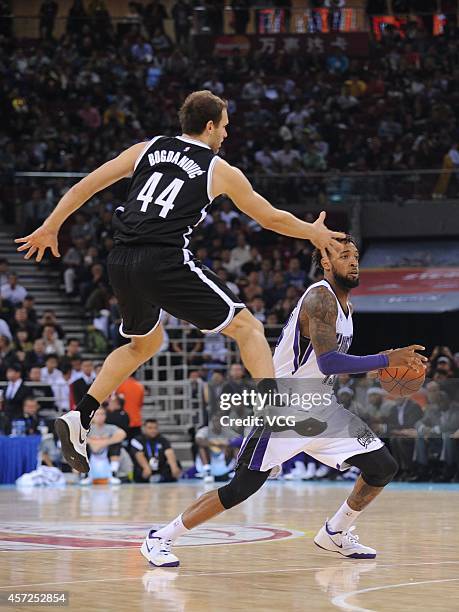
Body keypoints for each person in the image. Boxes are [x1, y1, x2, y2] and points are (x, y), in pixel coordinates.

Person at [15, 89, 344, 475]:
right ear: (209, 126)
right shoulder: (219, 169)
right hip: (163, 258)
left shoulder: (147, 148)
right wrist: (314, 234)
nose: (226, 135)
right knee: (248, 327)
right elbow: (269, 218)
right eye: (224, 127)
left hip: (120, 259)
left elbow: (87, 185)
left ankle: (81, 415)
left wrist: (51, 225)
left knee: (145, 344)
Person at [140, 236, 427, 567]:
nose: (353, 261)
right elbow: (329, 362)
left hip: (323, 407)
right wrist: (384, 360)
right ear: (325, 262)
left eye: (355, 255)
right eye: (344, 255)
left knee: (382, 467)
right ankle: (160, 537)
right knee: (239, 490)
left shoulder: (347, 306)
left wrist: (382, 364)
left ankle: (335, 532)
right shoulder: (321, 297)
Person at [130, 419, 181, 483]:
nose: (153, 430)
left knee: (175, 464)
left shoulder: (163, 440)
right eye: (150, 428)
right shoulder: (137, 440)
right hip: (146, 467)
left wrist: (174, 467)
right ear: (144, 429)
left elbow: (169, 452)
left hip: (160, 467)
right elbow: (139, 455)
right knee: (138, 470)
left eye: (155, 428)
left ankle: (160, 478)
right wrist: (146, 468)